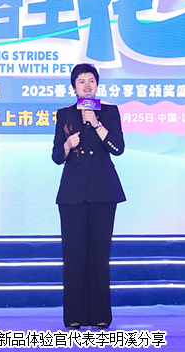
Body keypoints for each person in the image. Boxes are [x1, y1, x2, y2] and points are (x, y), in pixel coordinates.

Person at [51, 63, 126, 330]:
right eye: (81, 81)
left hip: (103, 191)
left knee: (99, 255)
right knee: (73, 255)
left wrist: (96, 124)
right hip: (72, 194)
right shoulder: (64, 114)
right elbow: (56, 157)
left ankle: (100, 315)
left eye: (91, 80)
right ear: (74, 87)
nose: (87, 85)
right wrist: (66, 145)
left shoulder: (109, 112)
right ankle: (74, 315)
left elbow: (118, 148)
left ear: (97, 85)